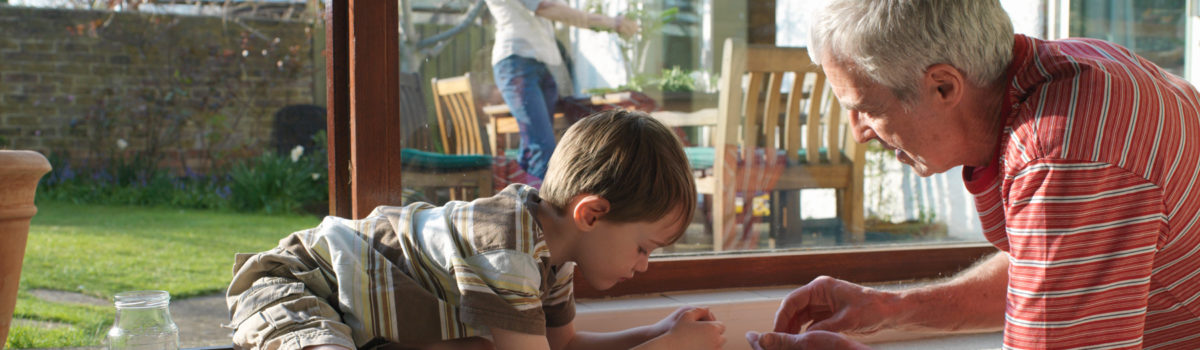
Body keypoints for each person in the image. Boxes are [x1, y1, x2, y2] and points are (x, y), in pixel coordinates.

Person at [748, 1, 1200, 349]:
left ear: (943, 86)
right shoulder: (1068, 69)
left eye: (868, 108)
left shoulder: (1063, 154)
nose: (860, 134)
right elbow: (1052, 271)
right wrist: (889, 308)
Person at [225, 110, 726, 350]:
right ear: (590, 215)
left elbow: (566, 347)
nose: (644, 266)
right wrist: (669, 349)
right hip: (297, 286)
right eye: (643, 248)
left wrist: (655, 331)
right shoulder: (509, 249)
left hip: (352, 314)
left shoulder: (552, 259)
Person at [487, 0, 638, 184]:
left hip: (541, 64)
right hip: (517, 62)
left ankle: (522, 205)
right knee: (543, 148)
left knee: (532, 146)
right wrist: (612, 22)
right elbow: (547, 8)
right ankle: (544, 208)